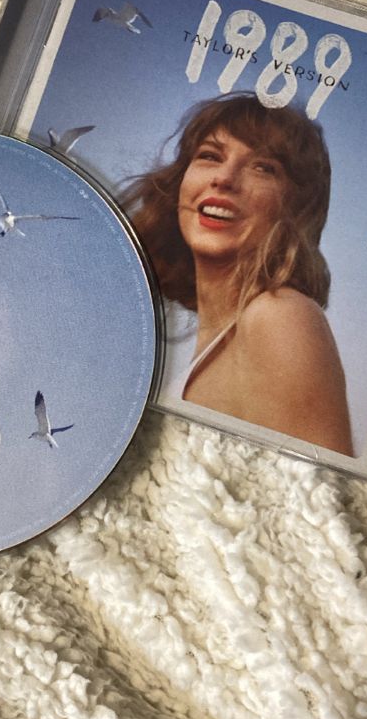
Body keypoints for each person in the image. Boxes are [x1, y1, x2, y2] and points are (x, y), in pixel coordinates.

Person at [122, 93, 354, 456]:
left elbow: (316, 500)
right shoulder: (220, 339)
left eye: (263, 167)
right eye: (210, 156)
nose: (224, 178)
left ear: (295, 206)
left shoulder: (280, 315)